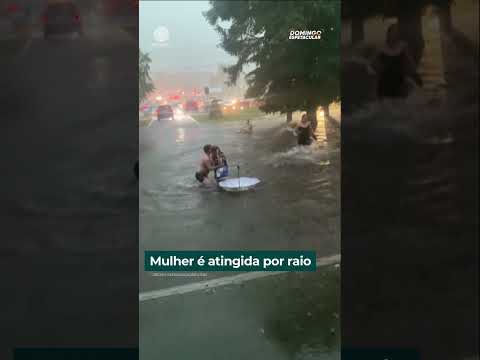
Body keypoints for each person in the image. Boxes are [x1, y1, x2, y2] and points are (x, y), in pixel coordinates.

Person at [371, 23, 423, 99]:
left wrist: (416, 75)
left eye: (396, 32)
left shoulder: (403, 46)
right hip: (385, 81)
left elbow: (410, 62)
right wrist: (379, 69)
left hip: (399, 81)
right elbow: (372, 64)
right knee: (385, 105)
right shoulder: (381, 48)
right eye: (393, 31)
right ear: (388, 33)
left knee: (399, 104)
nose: (395, 34)